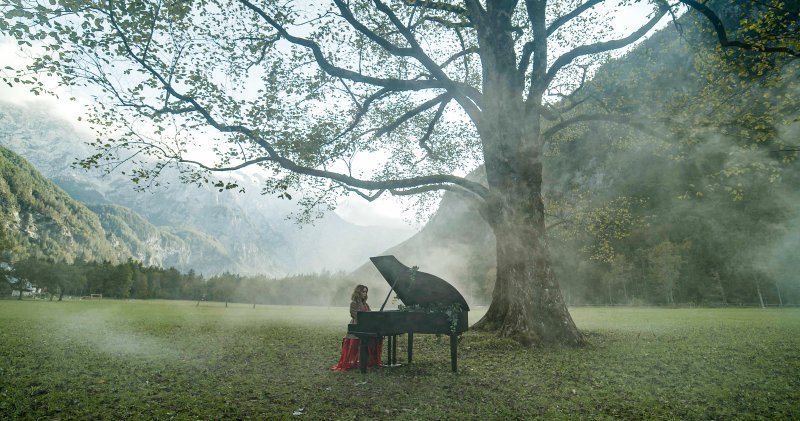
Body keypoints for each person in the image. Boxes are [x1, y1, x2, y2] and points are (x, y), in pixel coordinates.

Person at [330, 284, 382, 371]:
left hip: (367, 326)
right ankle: (353, 362)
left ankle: (367, 361)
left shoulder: (366, 304)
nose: (365, 293)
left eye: (366, 292)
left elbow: (370, 315)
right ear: (358, 292)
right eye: (363, 291)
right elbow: (355, 315)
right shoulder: (353, 304)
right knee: (355, 345)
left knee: (371, 341)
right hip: (356, 325)